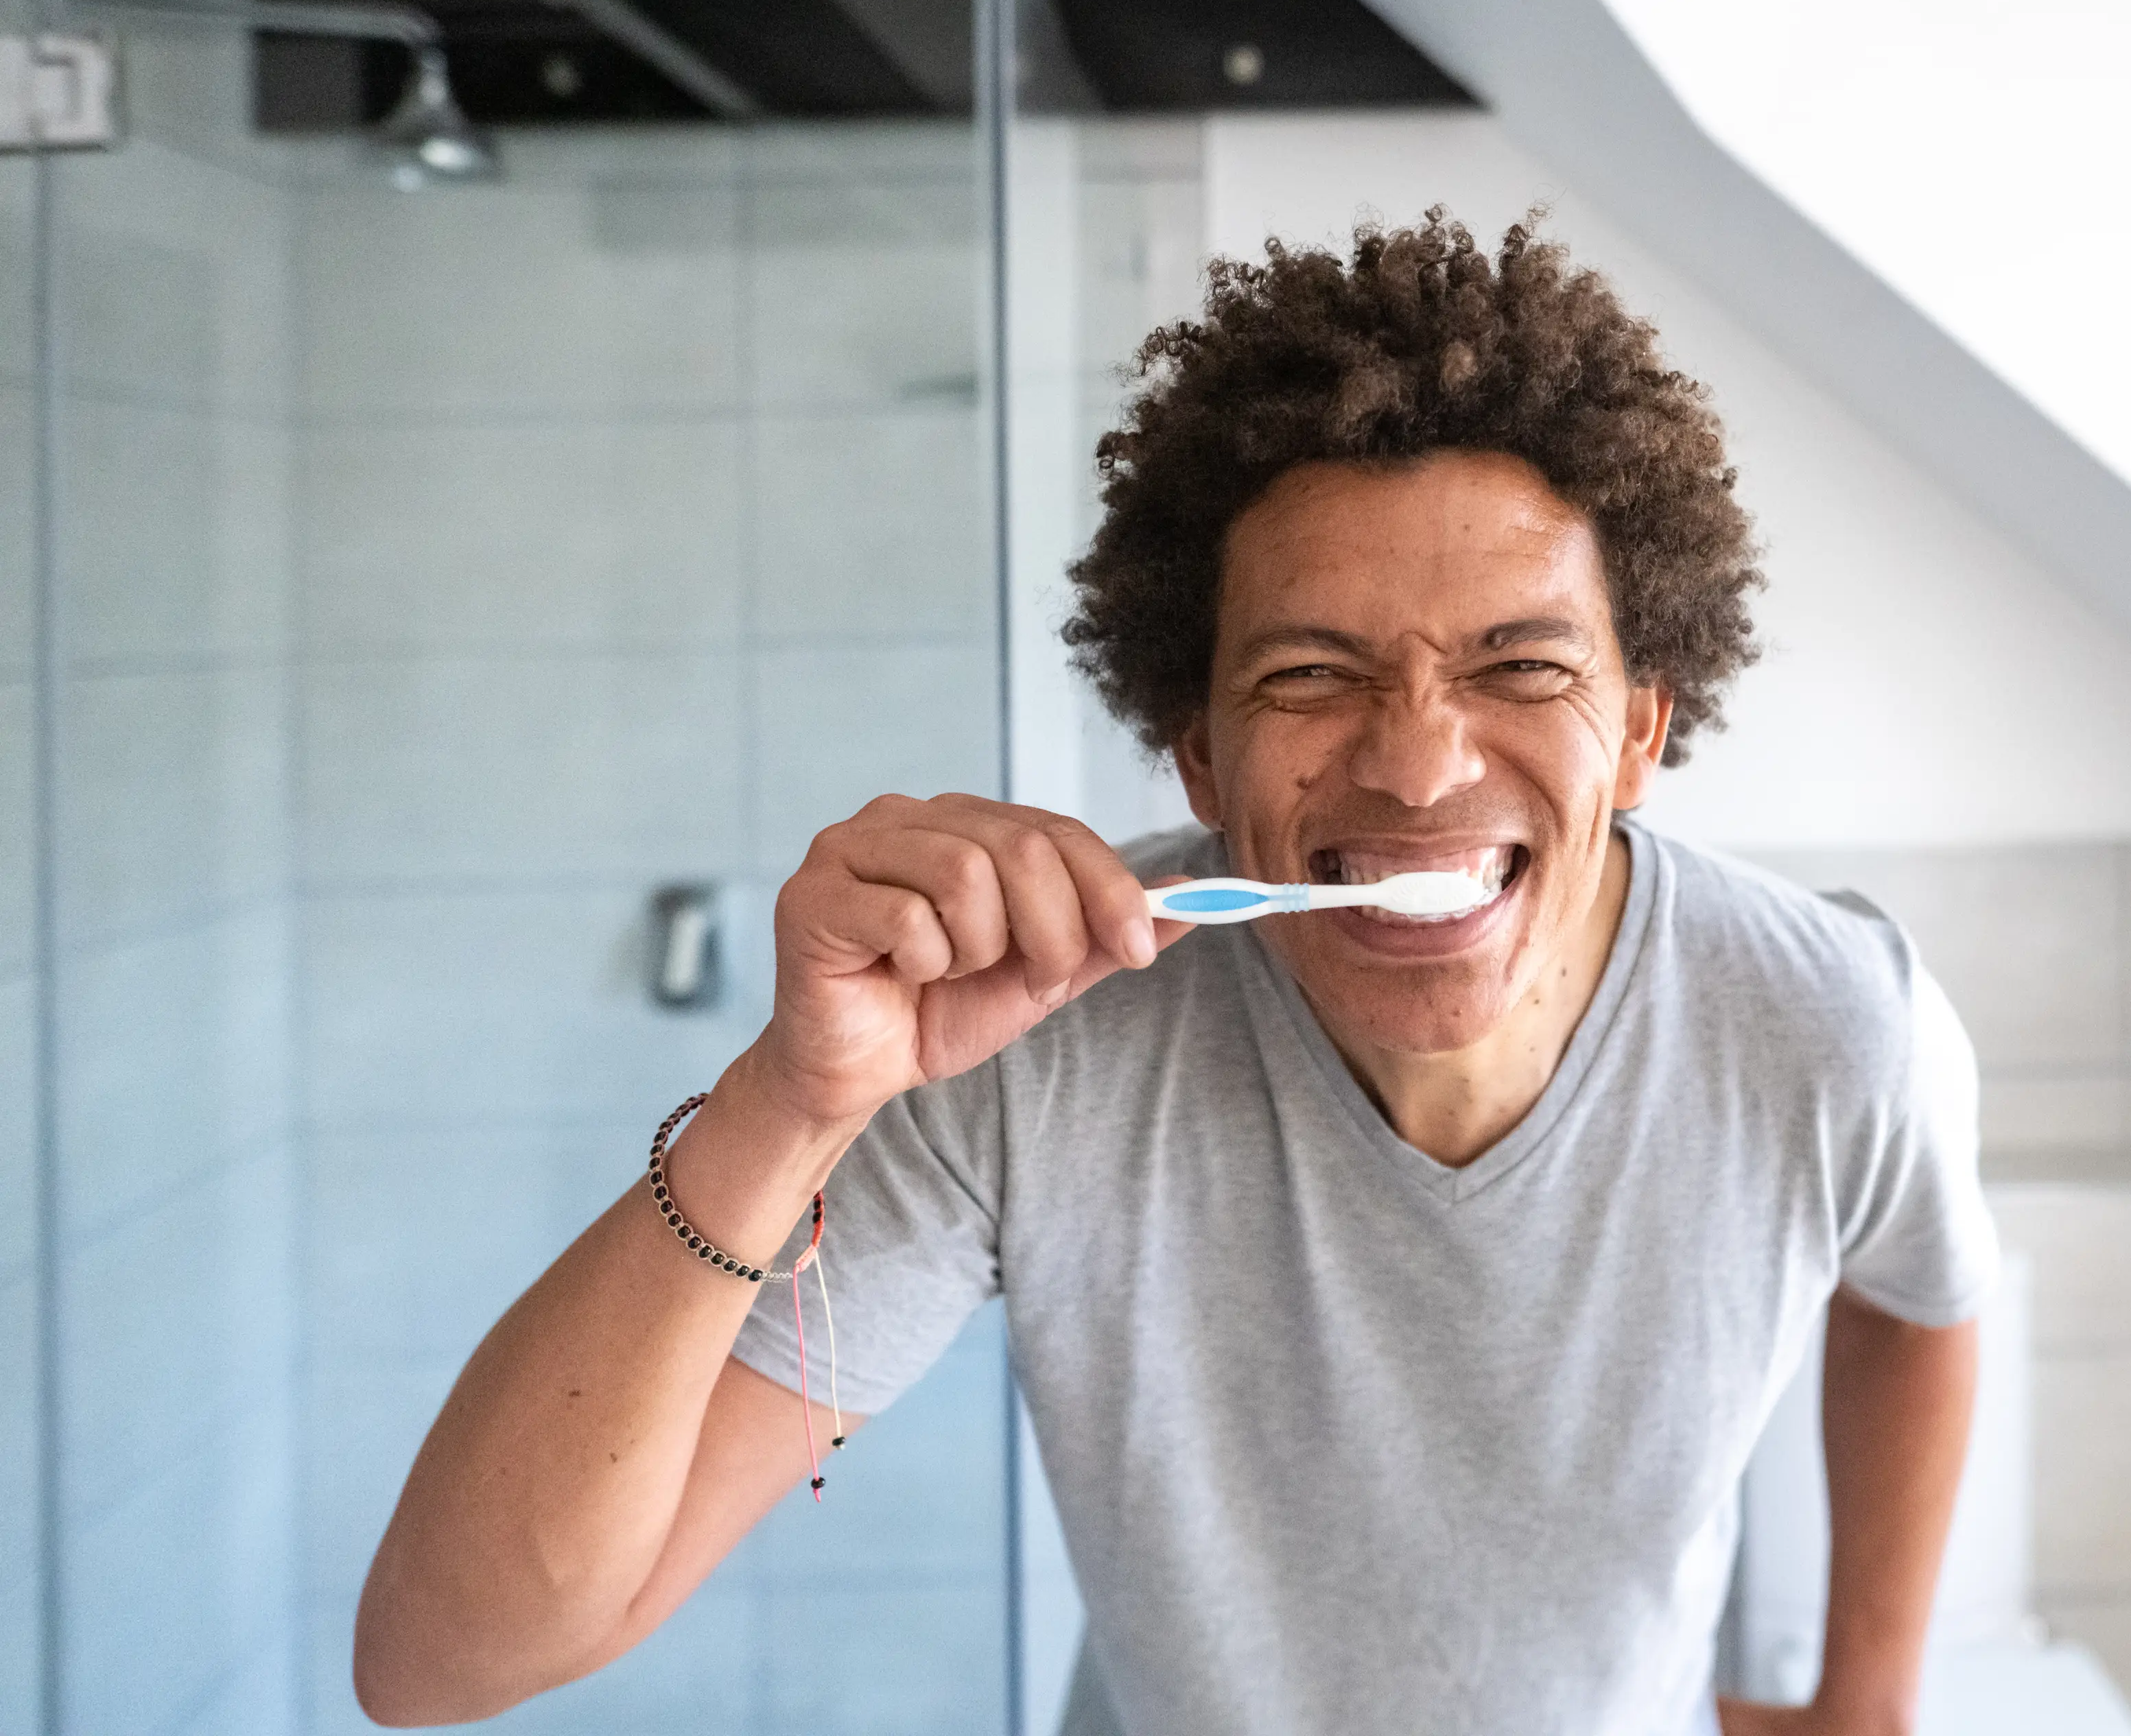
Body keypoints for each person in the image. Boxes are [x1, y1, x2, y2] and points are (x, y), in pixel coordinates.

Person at [353, 212, 1996, 1736]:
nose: (1420, 770)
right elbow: (443, 1657)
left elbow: (1920, 1302)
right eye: (1313, 674)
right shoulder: (1031, 1046)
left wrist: (1867, 1696)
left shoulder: (1829, 1022)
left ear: (1641, 726)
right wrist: (794, 1096)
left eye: (1521, 665)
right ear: (1197, 752)